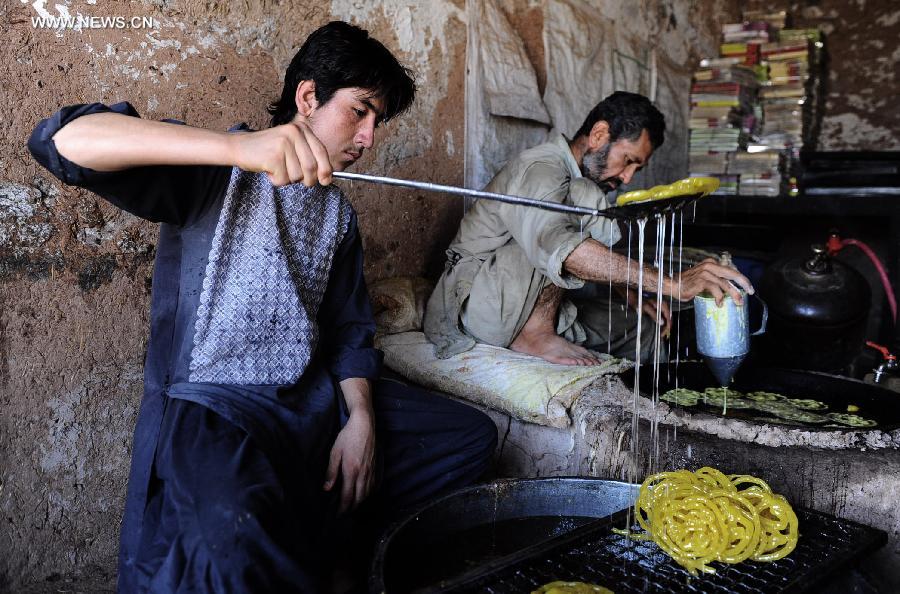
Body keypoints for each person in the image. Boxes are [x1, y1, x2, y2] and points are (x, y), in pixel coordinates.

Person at [29, 21, 496, 593]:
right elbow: (61, 141)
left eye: (379, 121)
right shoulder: (219, 171)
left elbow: (349, 333)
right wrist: (234, 147)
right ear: (308, 97)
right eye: (360, 111)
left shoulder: (337, 216)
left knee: (468, 437)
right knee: (231, 544)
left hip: (309, 401)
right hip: (218, 408)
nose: (370, 137)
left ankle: (335, 544)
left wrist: (362, 422)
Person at [424, 91, 753, 366]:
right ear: (599, 136)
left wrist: (628, 289)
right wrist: (672, 284)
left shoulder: (576, 177)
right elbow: (559, 245)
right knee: (581, 197)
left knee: (645, 328)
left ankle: (657, 418)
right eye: (628, 160)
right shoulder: (541, 168)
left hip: (515, 304)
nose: (627, 178)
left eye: (637, 168)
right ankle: (535, 334)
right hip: (474, 308)